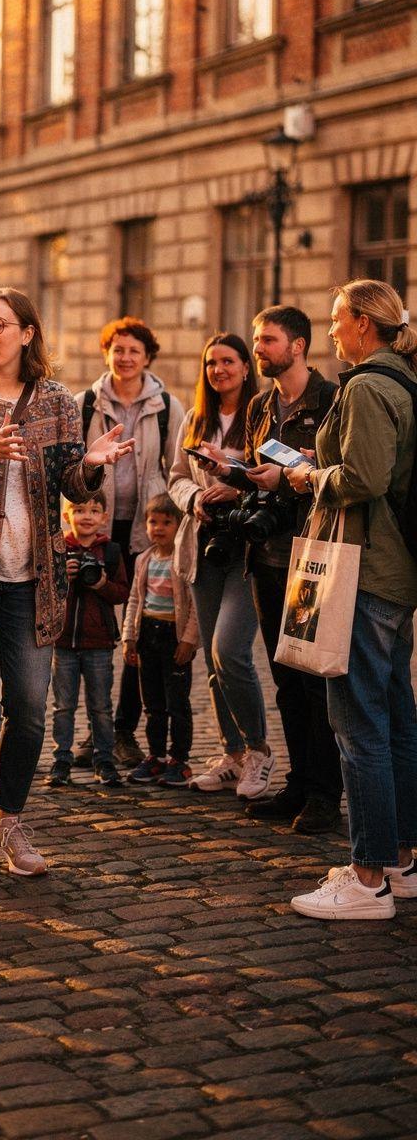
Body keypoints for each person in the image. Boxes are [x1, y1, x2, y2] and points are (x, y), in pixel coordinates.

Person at [0, 286, 134, 886]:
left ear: (28, 332)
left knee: (31, 711)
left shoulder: (59, 401)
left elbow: (72, 485)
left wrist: (90, 462)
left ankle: (8, 822)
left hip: (36, 581)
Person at [286, 280, 417, 921]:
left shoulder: (365, 386)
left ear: (364, 324)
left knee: (359, 724)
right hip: (395, 574)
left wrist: (309, 474)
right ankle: (399, 858)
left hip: (363, 572)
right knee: (395, 719)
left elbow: (365, 479)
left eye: (337, 321)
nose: (332, 331)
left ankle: (367, 878)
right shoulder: (404, 382)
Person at [240, 305, 341, 834]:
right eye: (258, 340)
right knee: (283, 680)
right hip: (267, 559)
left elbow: (334, 474)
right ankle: (299, 782)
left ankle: (325, 793)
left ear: (298, 345)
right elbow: (262, 467)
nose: (259, 348)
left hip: (312, 557)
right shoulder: (261, 404)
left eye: (269, 340)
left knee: (313, 681)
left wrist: (292, 476)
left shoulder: (329, 400)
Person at [169, 333, 275, 799]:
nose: (219, 370)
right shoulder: (195, 418)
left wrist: (235, 486)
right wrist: (194, 498)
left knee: (229, 651)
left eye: (228, 361)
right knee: (211, 659)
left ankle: (259, 751)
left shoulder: (263, 415)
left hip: (247, 551)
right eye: (211, 363)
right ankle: (231, 755)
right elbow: (173, 477)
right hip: (202, 546)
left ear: (246, 367)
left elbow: (276, 479)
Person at [75, 317, 182, 770]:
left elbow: (176, 462)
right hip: (94, 528)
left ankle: (122, 730)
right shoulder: (86, 402)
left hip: (145, 529)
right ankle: (93, 732)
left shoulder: (166, 404)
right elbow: (76, 461)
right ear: (107, 353)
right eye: (117, 349)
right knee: (93, 629)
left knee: (137, 630)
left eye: (134, 350)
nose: (125, 357)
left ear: (147, 356)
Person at [46, 492, 130, 790]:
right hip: (63, 641)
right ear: (66, 515)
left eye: (94, 510)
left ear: (104, 517)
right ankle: (62, 760)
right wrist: (61, 578)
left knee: (101, 707)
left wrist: (102, 583)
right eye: (78, 510)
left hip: (99, 642)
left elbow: (122, 593)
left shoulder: (111, 551)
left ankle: (104, 760)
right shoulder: (57, 548)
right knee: (62, 706)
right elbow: (42, 591)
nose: (87, 516)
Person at [122, 493, 199, 787]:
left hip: (174, 638)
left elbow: (193, 607)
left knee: (177, 702)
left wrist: (189, 640)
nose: (158, 528)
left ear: (179, 526)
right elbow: (134, 600)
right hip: (148, 636)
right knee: (152, 703)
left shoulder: (183, 561)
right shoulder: (143, 560)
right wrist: (130, 637)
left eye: (166, 522)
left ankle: (179, 759)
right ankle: (155, 756)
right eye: (153, 522)